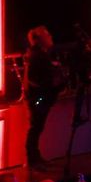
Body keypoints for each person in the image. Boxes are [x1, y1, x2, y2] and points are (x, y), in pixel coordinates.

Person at [23, 25, 62, 168]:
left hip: (38, 98)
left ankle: (35, 157)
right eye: (47, 35)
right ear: (39, 39)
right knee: (36, 127)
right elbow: (34, 79)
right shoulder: (37, 56)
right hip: (37, 99)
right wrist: (51, 84)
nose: (50, 36)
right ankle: (32, 160)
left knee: (37, 127)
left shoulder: (38, 55)